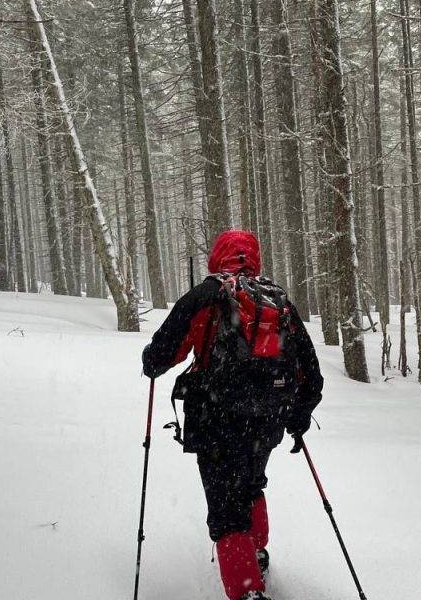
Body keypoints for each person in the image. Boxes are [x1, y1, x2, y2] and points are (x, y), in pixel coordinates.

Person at [142, 230, 323, 600]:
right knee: (252, 483)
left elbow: (161, 355)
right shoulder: (277, 300)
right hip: (267, 421)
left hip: (216, 418)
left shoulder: (206, 295)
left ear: (218, 256)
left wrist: (150, 360)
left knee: (226, 509)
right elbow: (311, 372)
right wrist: (298, 416)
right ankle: (256, 554)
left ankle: (247, 591)